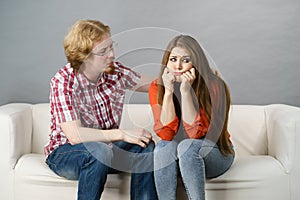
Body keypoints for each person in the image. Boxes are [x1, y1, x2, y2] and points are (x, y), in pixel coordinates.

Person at [44, 19, 157, 200]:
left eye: (111, 47)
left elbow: (154, 84)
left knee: (145, 145)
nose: (112, 55)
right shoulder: (64, 81)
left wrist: (185, 76)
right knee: (98, 150)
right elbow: (75, 135)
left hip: (107, 149)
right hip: (66, 154)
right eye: (103, 51)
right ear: (84, 56)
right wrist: (121, 134)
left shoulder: (114, 72)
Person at [149, 35, 235, 200]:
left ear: (195, 62)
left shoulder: (214, 85)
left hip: (216, 153)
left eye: (185, 60)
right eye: (173, 59)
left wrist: (186, 92)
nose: (178, 66)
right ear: (166, 62)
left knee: (187, 147)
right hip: (181, 156)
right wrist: (168, 92)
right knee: (162, 148)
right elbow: (166, 135)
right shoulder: (156, 87)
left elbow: (196, 135)